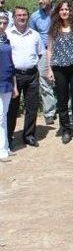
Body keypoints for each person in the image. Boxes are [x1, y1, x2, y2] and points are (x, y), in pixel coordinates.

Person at [46, 0, 73, 144]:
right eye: (62, 9)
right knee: (62, 99)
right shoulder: (54, 28)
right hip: (59, 68)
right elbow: (49, 50)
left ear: (72, 11)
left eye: (67, 9)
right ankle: (65, 129)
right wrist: (49, 69)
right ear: (58, 12)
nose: (64, 12)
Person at [7, 6, 44, 148]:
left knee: (32, 107)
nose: (22, 17)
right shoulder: (8, 34)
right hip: (14, 76)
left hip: (32, 75)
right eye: (18, 15)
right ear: (14, 18)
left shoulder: (34, 34)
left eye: (24, 15)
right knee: (12, 108)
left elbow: (40, 53)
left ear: (27, 16)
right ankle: (8, 137)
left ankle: (29, 135)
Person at [29, 0, 56, 125]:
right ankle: (49, 112)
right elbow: (32, 36)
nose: (40, 1)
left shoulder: (60, 11)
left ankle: (68, 110)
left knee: (64, 80)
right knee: (45, 83)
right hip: (44, 52)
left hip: (61, 50)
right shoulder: (34, 17)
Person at [0, 13, 18, 162]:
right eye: (0, 22)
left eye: (5, 22)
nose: (2, 25)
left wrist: (14, 86)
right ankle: (1, 151)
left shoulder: (6, 39)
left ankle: (5, 147)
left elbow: (11, 64)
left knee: (4, 116)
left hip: (7, 82)